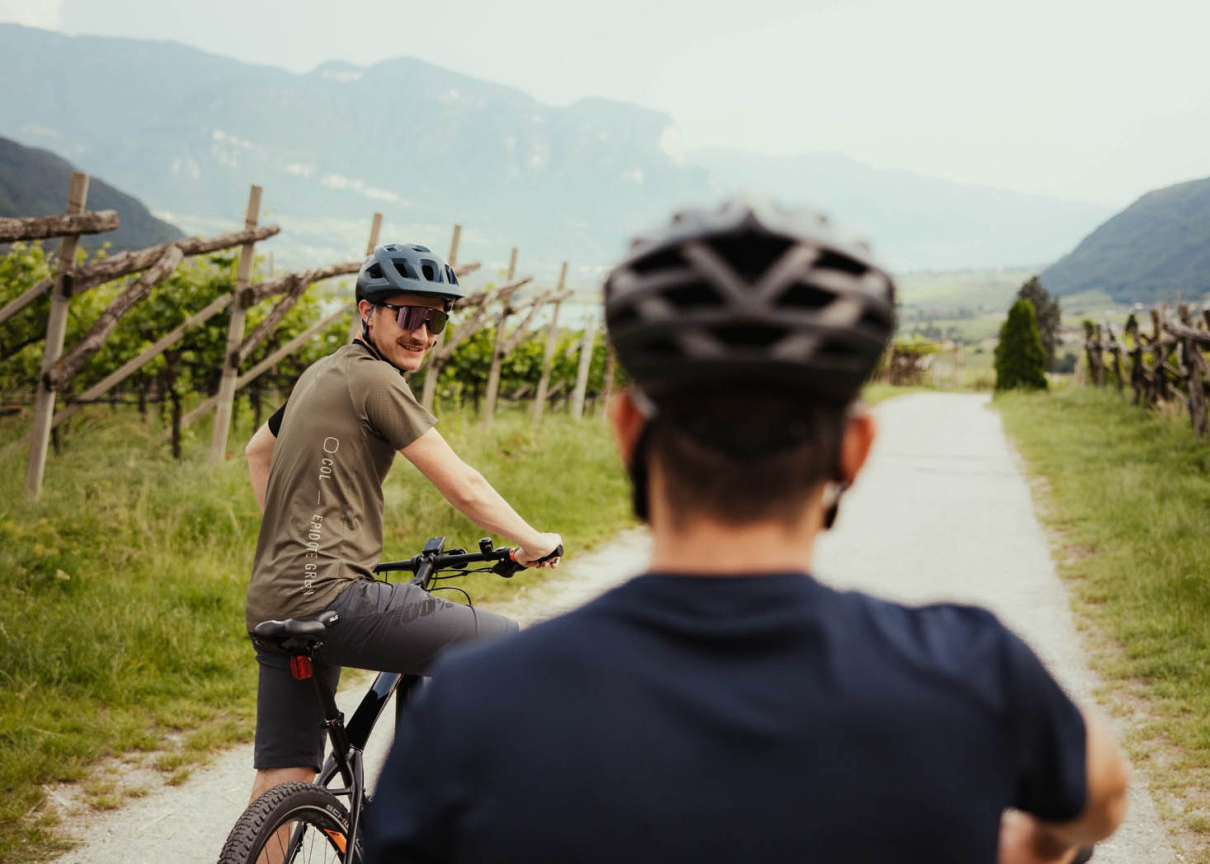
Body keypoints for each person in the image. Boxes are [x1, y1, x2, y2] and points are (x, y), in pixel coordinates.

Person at [364, 199, 1130, 864]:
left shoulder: (473, 709)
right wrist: (1036, 848)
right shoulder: (975, 671)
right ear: (855, 451)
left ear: (628, 433)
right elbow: (1100, 798)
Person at [242, 241, 562, 804]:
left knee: (285, 775)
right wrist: (535, 542)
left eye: (436, 318)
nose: (424, 333)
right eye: (409, 315)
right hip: (335, 599)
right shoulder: (375, 379)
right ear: (368, 311)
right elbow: (463, 485)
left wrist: (293, 537)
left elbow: (255, 453)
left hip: (275, 600)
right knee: (515, 651)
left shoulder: (319, 374)